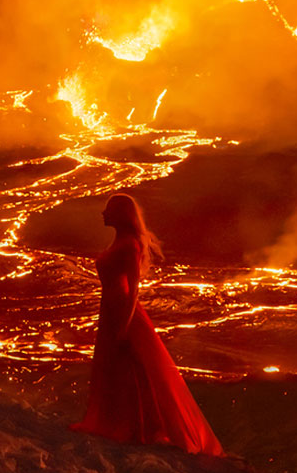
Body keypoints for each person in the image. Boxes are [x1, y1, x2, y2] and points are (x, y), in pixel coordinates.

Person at [70, 193, 223, 455]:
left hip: (123, 315)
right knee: (119, 372)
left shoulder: (130, 245)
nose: (103, 214)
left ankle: (140, 430)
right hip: (110, 313)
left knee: (136, 372)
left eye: (109, 209)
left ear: (120, 214)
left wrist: (125, 324)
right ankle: (122, 425)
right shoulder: (120, 242)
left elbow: (134, 290)